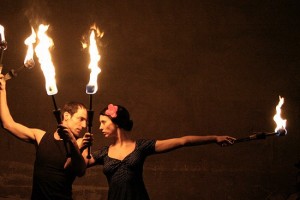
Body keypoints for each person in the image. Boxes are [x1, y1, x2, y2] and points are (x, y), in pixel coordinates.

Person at [84, 103, 236, 200]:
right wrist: (79, 144)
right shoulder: (104, 153)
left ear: (116, 122)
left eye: (103, 122)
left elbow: (183, 141)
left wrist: (215, 138)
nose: (100, 127)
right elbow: (78, 164)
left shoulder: (141, 146)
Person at [0, 73, 92, 200]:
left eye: (85, 121)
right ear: (66, 116)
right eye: (80, 119)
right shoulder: (40, 136)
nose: (83, 125)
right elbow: (8, 124)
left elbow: (80, 171)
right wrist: (2, 89)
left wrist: (74, 143)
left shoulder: (81, 142)